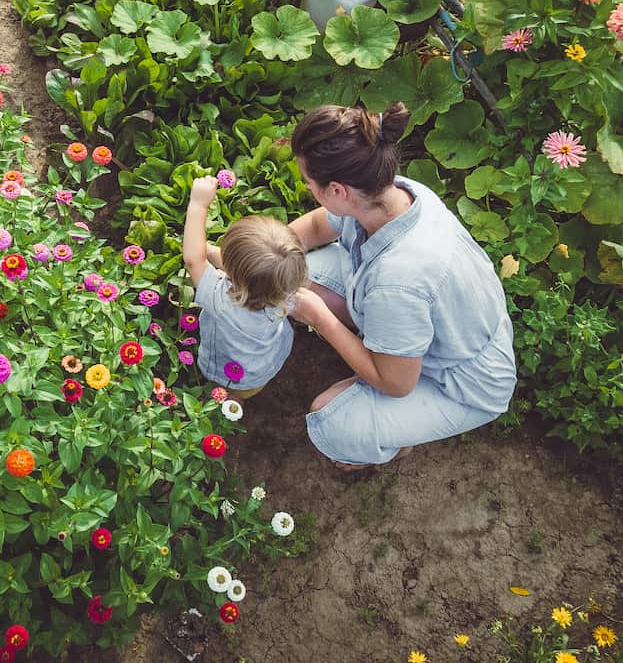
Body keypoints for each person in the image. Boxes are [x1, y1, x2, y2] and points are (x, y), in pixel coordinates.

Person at [287, 102, 516, 470]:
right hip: (443, 325)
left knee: (332, 423)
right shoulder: (393, 193)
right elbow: (316, 227)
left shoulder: (398, 281)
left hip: (463, 383)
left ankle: (395, 443)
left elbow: (395, 384)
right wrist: (269, 249)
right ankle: (382, 352)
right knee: (295, 274)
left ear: (337, 191)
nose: (308, 188)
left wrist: (319, 317)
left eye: (309, 183)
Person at [183, 176, 309, 399]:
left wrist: (198, 204)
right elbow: (253, 276)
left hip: (232, 373)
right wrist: (212, 253)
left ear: (233, 275)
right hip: (265, 363)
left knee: (227, 396)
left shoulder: (221, 300)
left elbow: (193, 259)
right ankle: (238, 403)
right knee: (244, 392)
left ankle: (228, 409)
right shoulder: (286, 289)